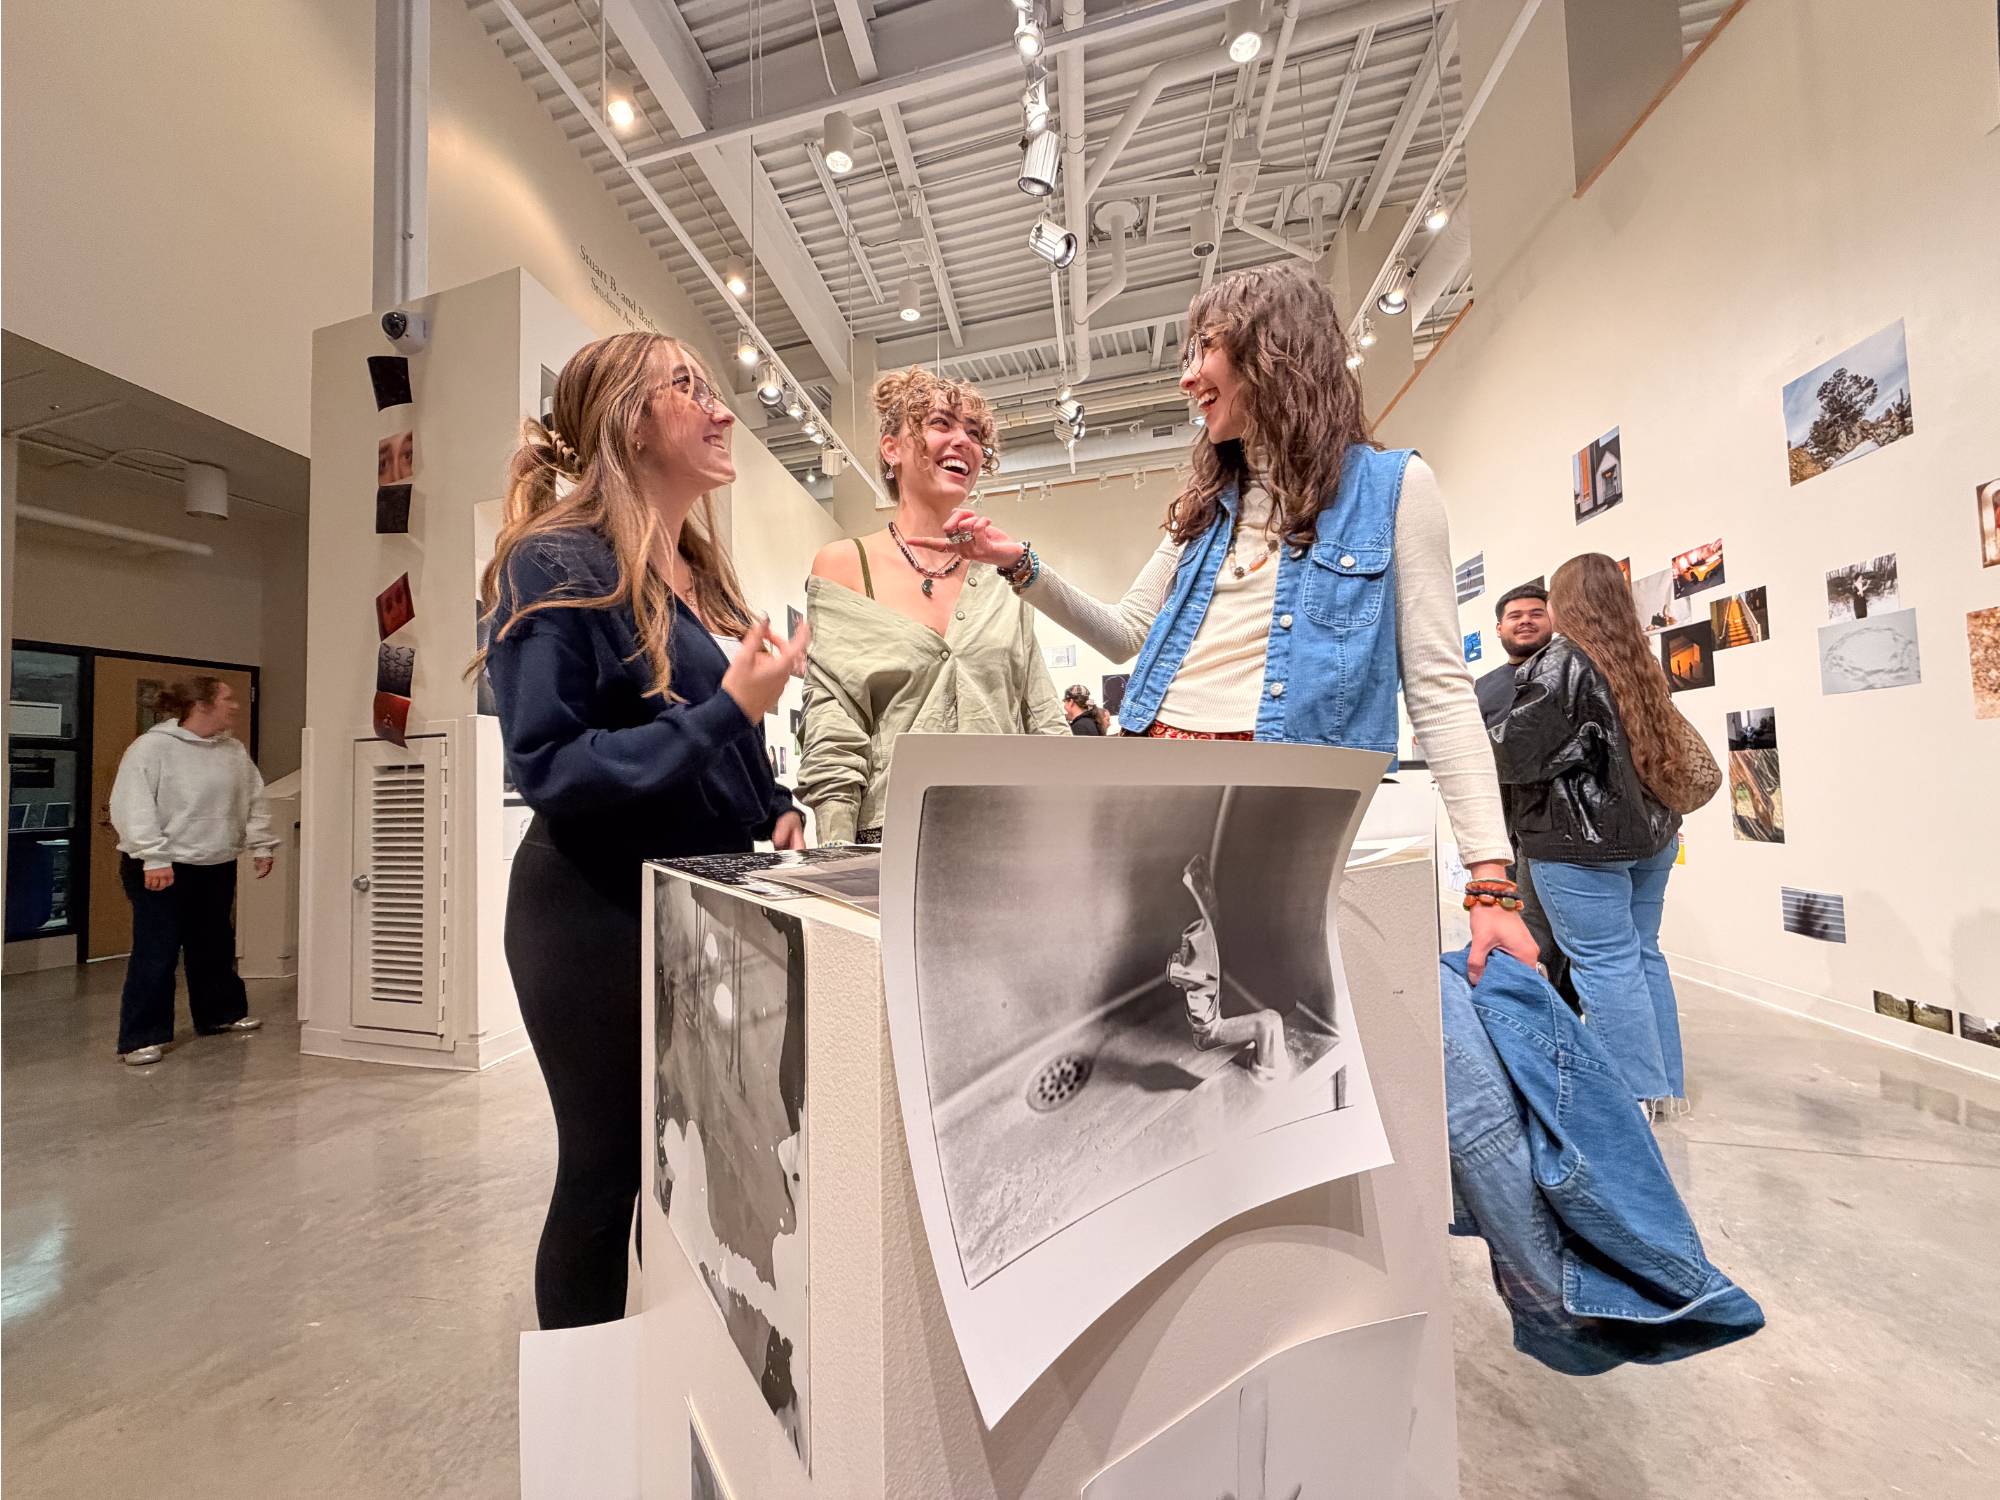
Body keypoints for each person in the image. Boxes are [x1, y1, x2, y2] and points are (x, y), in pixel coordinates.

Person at [914, 263, 1534, 978]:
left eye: (1205, 348)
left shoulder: (1395, 489)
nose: (1187, 378)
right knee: (1143, 997)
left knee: (1277, 1000)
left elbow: (1438, 683)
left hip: (1281, 807)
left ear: (1273, 351)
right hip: (1151, 787)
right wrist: (1016, 561)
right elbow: (1124, 633)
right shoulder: (1204, 508)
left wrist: (1491, 878)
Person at [476, 331, 807, 1329]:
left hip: (697, 899)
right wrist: (726, 714)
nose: (719, 410)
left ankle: (659, 1378)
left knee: (697, 1159)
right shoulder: (556, 562)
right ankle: (581, 1421)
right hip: (591, 912)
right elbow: (550, 766)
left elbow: (725, 745)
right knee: (605, 1169)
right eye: (686, 389)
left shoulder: (696, 572)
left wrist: (774, 807)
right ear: (629, 420)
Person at [799, 366, 1066, 844]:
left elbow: (1041, 715)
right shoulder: (845, 565)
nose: (964, 441)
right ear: (892, 448)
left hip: (1005, 835)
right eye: (941, 424)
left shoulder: (1006, 577)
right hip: (888, 840)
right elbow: (833, 722)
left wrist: (1065, 834)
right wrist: (837, 859)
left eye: (975, 433)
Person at [1489, 552, 1700, 1114]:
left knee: (1604, 962)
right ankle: (1664, 1090)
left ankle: (1629, 1102)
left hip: (1581, 838)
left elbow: (1513, 755)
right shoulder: (1637, 660)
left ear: (1565, 604)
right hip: (1650, 834)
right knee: (1642, 955)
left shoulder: (1562, 663)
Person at [108, 677, 277, 1065]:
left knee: (214, 943)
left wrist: (261, 844)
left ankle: (221, 1014)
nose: (233, 705)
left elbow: (253, 799)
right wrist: (153, 856)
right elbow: (133, 805)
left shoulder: (233, 750)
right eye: (226, 699)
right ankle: (141, 1036)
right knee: (158, 948)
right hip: (161, 865)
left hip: (214, 862)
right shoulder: (152, 748)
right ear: (201, 705)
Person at [1474, 582, 1574, 1005]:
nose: (1526, 620)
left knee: (1546, 923)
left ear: (1552, 619)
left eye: (1536, 613)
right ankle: (1525, 1007)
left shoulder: (1568, 673)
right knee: (1509, 915)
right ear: (1499, 629)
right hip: (1499, 820)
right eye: (1515, 616)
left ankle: (1551, 1007)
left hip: (1553, 817)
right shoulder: (1482, 687)